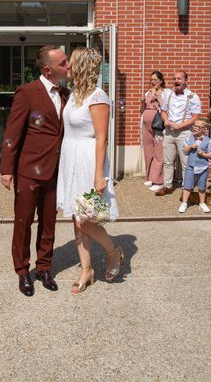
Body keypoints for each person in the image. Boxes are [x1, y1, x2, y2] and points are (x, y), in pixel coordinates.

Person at [0, 45, 69, 297]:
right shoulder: (27, 93)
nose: (68, 65)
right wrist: (6, 169)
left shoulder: (65, 94)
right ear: (48, 69)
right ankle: (22, 271)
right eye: (63, 62)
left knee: (49, 222)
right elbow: (12, 133)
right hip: (29, 170)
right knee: (24, 222)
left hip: (55, 171)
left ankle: (44, 267)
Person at [56, 47, 122, 293]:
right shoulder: (74, 94)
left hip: (87, 160)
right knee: (76, 218)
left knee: (86, 219)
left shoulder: (98, 97)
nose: (68, 67)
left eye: (71, 63)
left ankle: (113, 252)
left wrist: (98, 175)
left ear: (81, 66)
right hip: (70, 158)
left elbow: (101, 138)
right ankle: (87, 269)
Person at [155, 71, 202, 196]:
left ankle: (186, 189)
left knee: (186, 162)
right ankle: (168, 185)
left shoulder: (192, 96)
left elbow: (195, 117)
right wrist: (165, 120)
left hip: (185, 132)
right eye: (174, 78)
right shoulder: (168, 95)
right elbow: (163, 111)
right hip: (169, 132)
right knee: (168, 161)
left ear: (186, 81)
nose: (176, 81)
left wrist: (180, 125)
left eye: (179, 79)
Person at [178, 118, 211, 214]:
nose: (195, 128)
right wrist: (190, 147)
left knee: (202, 186)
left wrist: (203, 154)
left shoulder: (209, 141)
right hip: (191, 166)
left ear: (205, 129)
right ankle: (184, 203)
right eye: (194, 125)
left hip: (203, 167)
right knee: (187, 185)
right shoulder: (189, 138)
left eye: (198, 126)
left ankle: (202, 203)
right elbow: (184, 151)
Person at [141, 71, 165, 191]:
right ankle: (150, 176)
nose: (153, 81)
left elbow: (166, 108)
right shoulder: (147, 93)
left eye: (155, 79)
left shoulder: (165, 93)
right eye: (152, 79)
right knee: (148, 150)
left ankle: (159, 180)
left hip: (158, 125)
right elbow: (142, 110)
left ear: (161, 81)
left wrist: (158, 97)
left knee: (159, 151)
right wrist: (142, 102)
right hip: (146, 125)